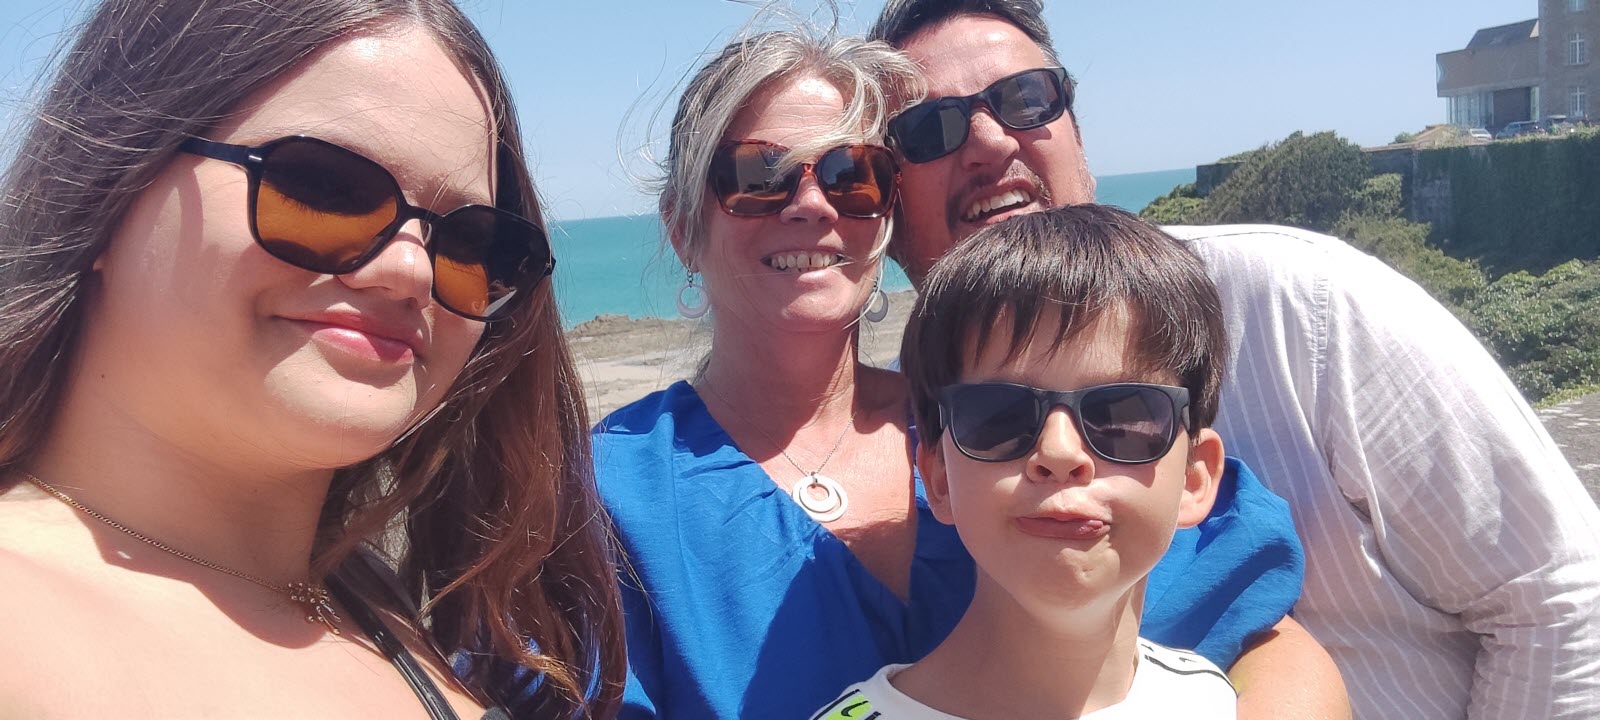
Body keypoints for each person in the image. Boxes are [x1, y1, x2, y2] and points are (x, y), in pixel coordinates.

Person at [868, 1, 1600, 717]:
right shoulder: (929, 424)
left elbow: (1560, 596)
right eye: (929, 130)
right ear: (886, 207)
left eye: (1026, 97)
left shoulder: (1298, 304)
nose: (990, 140)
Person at [592, 28, 1310, 720]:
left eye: (851, 175)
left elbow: (1265, 633)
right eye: (757, 176)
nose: (812, 204)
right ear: (681, 226)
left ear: (886, 215)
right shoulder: (609, 495)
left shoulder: (1022, 420)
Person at [0, 1, 622, 717]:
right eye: (323, 188)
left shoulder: (363, 596)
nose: (411, 271)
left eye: (472, 242)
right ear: (104, 187)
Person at [816, 204, 1241, 719]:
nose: (1059, 453)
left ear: (1195, 478)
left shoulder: (1214, 699)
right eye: (999, 416)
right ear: (938, 477)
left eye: (1122, 416)